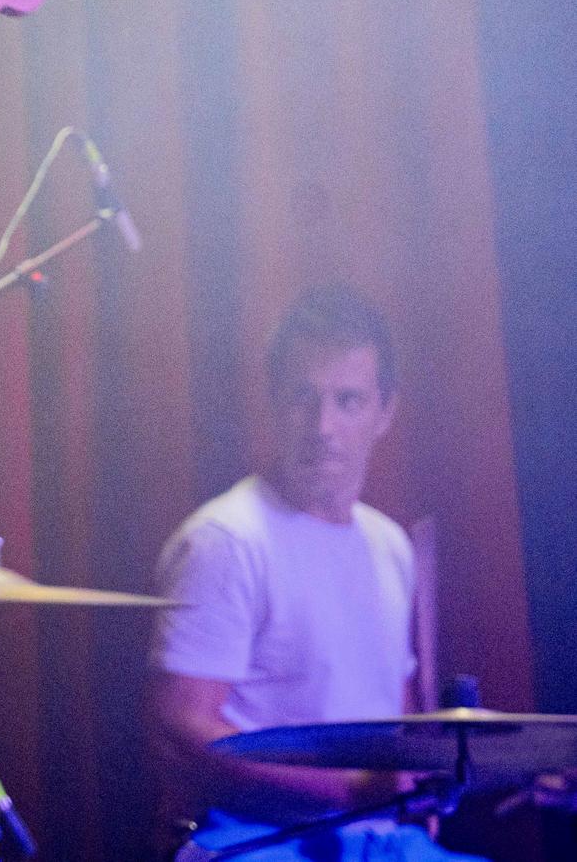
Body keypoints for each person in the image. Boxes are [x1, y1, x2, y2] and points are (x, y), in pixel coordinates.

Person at [146, 284, 482, 862]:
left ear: (385, 412)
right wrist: (349, 788)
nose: (323, 426)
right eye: (303, 398)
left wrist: (419, 782)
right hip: (256, 838)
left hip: (379, 839)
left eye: (348, 401)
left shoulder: (389, 544)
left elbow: (393, 710)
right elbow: (179, 725)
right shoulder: (226, 540)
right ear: (272, 403)